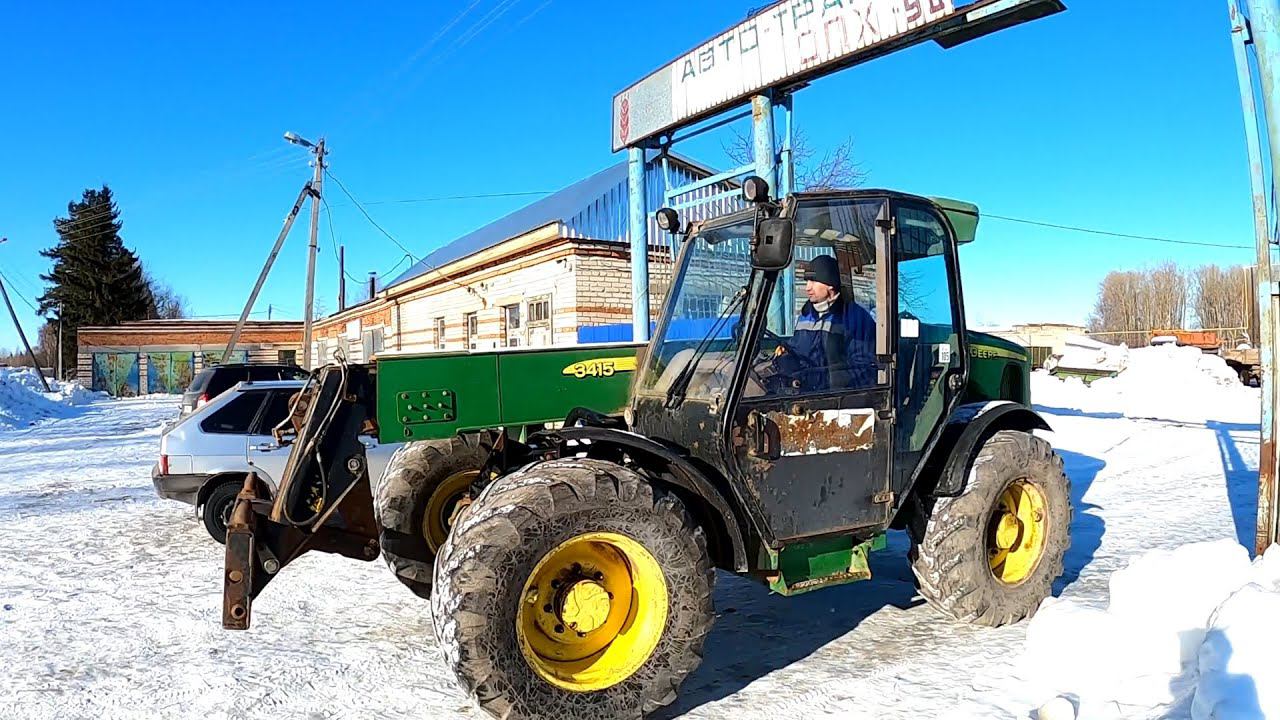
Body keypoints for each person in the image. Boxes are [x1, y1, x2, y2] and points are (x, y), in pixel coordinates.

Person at [775, 254, 876, 392]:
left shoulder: (855, 318)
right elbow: (798, 349)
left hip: (836, 398)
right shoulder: (806, 315)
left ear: (830, 284)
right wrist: (786, 353)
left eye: (813, 281)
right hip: (803, 392)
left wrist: (813, 380)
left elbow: (863, 370)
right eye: (807, 281)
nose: (807, 287)